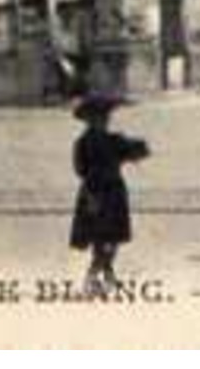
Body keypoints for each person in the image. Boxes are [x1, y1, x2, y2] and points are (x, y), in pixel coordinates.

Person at [69, 92, 151, 296]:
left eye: (104, 117)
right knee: (109, 238)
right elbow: (139, 151)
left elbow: (79, 169)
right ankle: (94, 275)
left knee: (103, 238)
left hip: (95, 191)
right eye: (100, 117)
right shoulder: (109, 141)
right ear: (90, 119)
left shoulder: (85, 142)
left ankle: (105, 275)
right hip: (107, 191)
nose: (104, 120)